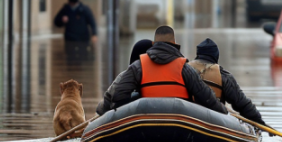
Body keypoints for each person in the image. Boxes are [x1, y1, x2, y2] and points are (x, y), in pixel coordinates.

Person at [96, 26, 226, 115]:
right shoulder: (185, 68)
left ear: (153, 44)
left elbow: (118, 97)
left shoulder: (137, 66)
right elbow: (207, 98)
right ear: (175, 43)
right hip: (181, 122)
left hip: (143, 121)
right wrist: (224, 112)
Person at [190, 38, 267, 126]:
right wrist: (259, 121)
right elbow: (242, 104)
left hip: (187, 118)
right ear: (216, 56)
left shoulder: (185, 69)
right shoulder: (224, 75)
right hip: (215, 121)